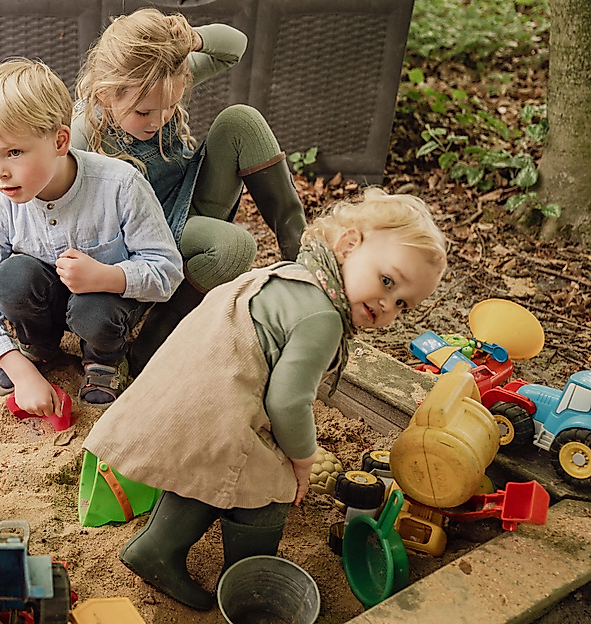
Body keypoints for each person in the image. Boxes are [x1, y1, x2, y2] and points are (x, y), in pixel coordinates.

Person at [83, 189, 447, 610]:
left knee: (207, 468)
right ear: (349, 246)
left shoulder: (297, 274)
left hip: (192, 390)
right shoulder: (324, 319)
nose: (387, 304)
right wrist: (304, 459)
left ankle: (155, 549)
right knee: (269, 488)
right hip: (220, 402)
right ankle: (247, 583)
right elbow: (288, 402)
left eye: (402, 303)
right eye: (387, 280)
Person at [72, 8, 308, 374]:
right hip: (150, 233)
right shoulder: (84, 131)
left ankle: (304, 266)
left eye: (170, 107)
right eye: (144, 112)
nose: (159, 119)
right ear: (105, 95)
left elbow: (235, 46)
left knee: (241, 119)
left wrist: (193, 40)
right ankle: (152, 344)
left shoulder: (159, 81)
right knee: (235, 248)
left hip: (190, 194)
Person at [0, 59, 183, 410]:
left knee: (94, 308)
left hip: (104, 306)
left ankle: (104, 359)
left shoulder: (120, 185)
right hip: (46, 302)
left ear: (60, 140)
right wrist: (17, 370)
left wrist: (107, 276)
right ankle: (38, 347)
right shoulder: (2, 205)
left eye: (14, 153)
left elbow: (167, 271)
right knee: (14, 278)